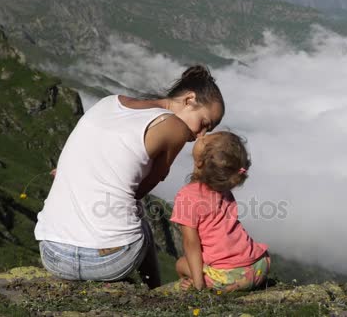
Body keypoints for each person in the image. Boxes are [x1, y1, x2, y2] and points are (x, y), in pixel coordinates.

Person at [34, 65, 225, 288]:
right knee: (139, 217)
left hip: (53, 255)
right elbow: (140, 191)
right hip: (109, 261)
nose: (201, 135)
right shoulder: (175, 128)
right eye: (204, 124)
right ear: (189, 99)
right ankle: (153, 289)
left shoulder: (107, 102)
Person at [171, 131, 270, 292]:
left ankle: (199, 284)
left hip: (230, 275)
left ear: (201, 161)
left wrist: (198, 284)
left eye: (204, 140)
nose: (201, 135)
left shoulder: (187, 196)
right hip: (259, 265)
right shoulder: (223, 187)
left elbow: (191, 243)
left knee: (181, 264)